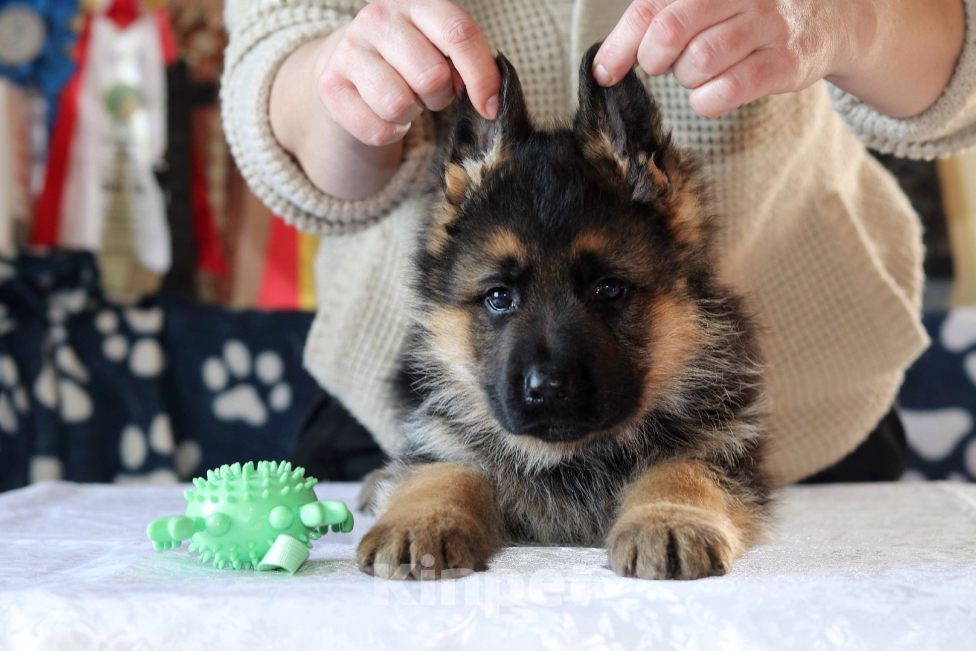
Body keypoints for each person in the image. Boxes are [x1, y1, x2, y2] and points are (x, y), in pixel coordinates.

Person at [222, 0, 974, 486]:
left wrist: (855, 22)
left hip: (789, 424)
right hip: (431, 441)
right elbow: (271, 60)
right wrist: (345, 85)